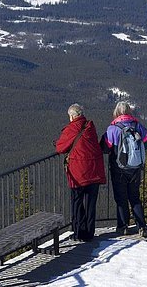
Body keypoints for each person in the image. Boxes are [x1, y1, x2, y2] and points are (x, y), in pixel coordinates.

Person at [101, 101, 147, 238]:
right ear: (129, 111)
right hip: (135, 168)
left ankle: (123, 226)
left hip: (119, 169)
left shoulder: (113, 129)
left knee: (121, 198)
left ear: (116, 113)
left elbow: (105, 148)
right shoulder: (137, 125)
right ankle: (142, 226)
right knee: (135, 197)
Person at [55, 103, 106, 242]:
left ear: (72, 116)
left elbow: (60, 148)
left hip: (78, 173)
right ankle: (89, 233)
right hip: (94, 170)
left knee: (77, 203)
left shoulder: (71, 129)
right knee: (90, 204)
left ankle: (78, 233)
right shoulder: (90, 126)